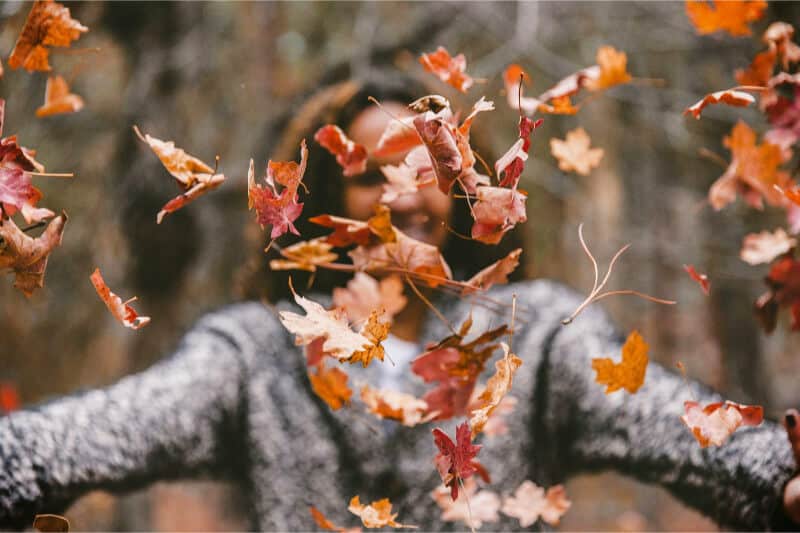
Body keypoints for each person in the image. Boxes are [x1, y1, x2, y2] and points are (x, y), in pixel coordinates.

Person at [0, 70, 798, 532]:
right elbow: (106, 427)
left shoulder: (533, 336)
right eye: (369, 171)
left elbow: (674, 425)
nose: (403, 195)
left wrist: (781, 477)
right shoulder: (257, 352)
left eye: (425, 169)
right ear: (318, 201)